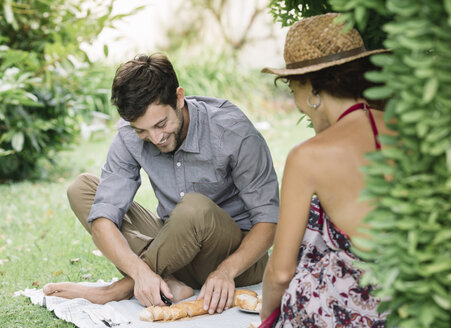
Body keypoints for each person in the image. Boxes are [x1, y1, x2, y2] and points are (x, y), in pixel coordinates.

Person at [43, 53, 279, 315]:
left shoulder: (232, 131)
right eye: (142, 130)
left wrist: (226, 271)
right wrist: (139, 271)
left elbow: (269, 222)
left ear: (179, 98)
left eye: (161, 124)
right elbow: (102, 219)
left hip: (234, 258)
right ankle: (166, 281)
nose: (155, 138)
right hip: (176, 247)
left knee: (194, 207)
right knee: (82, 188)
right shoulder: (129, 134)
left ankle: (117, 289)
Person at [259, 13, 392, 327]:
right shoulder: (409, 130)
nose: (299, 104)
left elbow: (280, 272)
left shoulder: (308, 156)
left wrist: (267, 317)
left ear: (310, 88)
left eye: (294, 92)